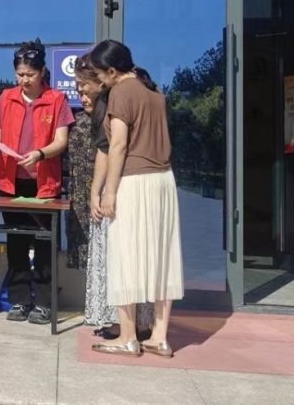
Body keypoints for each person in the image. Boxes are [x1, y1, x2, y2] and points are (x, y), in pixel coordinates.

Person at [88, 40, 184, 358]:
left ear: (112, 71)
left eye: (99, 75)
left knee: (125, 254)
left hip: (134, 181)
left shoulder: (121, 92)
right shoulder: (154, 92)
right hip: (164, 181)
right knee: (162, 257)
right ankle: (160, 336)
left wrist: (109, 191)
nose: (99, 81)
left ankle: (128, 336)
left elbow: (117, 145)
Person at [0, 39, 74, 325]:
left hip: (44, 183)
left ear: (42, 72)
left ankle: (44, 302)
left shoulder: (56, 99)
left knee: (44, 243)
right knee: (16, 240)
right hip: (12, 182)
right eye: (20, 74)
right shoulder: (6, 97)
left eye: (30, 74)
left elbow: (61, 141)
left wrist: (40, 154)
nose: (24, 80)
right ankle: (19, 299)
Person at [73, 55, 154, 338]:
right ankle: (137, 322)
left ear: (100, 79)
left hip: (121, 188)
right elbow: (104, 150)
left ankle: (128, 325)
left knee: (119, 258)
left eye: (84, 83)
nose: (80, 90)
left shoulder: (112, 103)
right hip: (132, 185)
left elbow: (109, 150)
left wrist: (102, 192)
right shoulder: (132, 97)